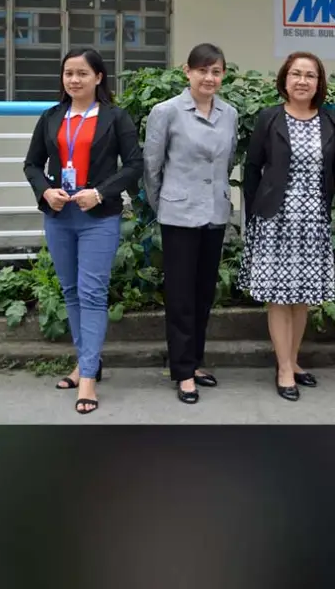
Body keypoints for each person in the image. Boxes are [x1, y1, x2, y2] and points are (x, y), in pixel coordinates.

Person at [22, 47, 144, 415]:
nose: (74, 80)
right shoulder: (51, 117)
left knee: (92, 293)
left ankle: (88, 377)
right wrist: (45, 189)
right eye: (68, 73)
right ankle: (85, 361)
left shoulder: (114, 117)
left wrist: (100, 191)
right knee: (72, 292)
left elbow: (135, 164)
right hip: (59, 215)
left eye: (81, 73)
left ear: (98, 78)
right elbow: (31, 164)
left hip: (98, 216)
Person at [241, 51, 335, 401]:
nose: (303, 81)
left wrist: (319, 202)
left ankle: (294, 360)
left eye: (310, 75)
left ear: (319, 83)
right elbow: (252, 168)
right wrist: (256, 216)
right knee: (278, 297)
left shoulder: (330, 121)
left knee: (302, 297)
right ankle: (284, 368)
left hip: (313, 219)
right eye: (296, 74)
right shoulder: (269, 119)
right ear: (285, 80)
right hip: (275, 219)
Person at [144, 43, 238, 404]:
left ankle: (194, 360)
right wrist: (164, 204)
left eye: (216, 71)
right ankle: (182, 371)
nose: (208, 78)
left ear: (223, 75)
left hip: (214, 212)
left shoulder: (228, 113)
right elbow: (152, 167)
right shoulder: (166, 111)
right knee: (181, 296)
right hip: (179, 214)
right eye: (202, 70)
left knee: (203, 294)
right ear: (187, 71)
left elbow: (226, 162)